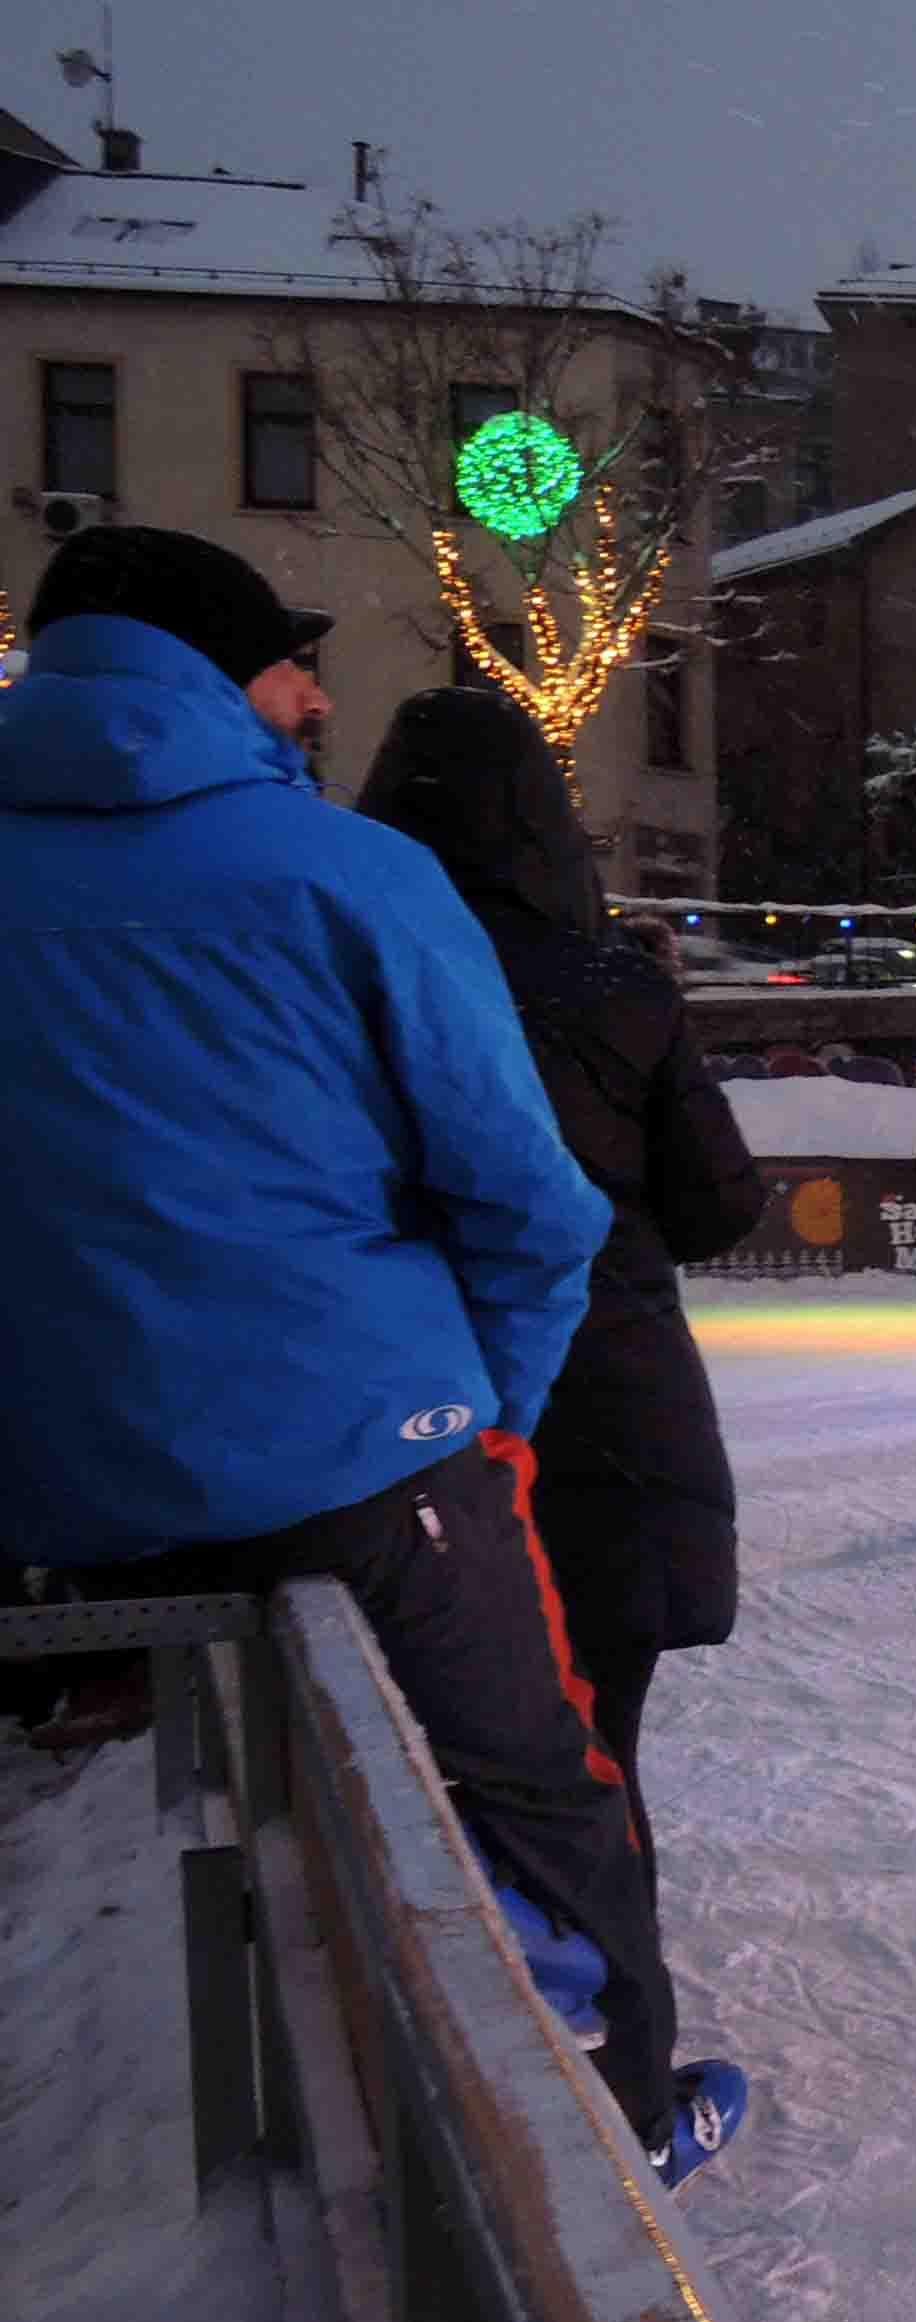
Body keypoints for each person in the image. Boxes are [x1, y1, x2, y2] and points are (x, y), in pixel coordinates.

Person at [0, 527, 743, 2181]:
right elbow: (531, 1208)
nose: (317, 694)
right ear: (213, 675)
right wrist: (476, 1424)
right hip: (351, 1455)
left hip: (53, 1496)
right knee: (547, 1788)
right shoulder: (340, 876)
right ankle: (617, 2119)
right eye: (290, 662)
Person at [355, 687, 768, 1900]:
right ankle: (611, 2048)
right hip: (606, 1412)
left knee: (411, 1752)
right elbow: (719, 1202)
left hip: (404, 1408)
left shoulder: (352, 959)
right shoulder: (614, 982)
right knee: (589, 1750)